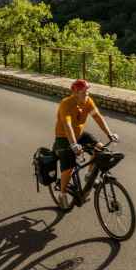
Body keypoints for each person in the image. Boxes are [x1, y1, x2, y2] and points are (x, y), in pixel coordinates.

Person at [53, 79, 118, 209]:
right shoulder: (66, 104)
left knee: (100, 149)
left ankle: (89, 176)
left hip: (80, 135)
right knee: (68, 168)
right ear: (75, 92)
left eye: (87, 90)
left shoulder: (88, 101)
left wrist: (109, 133)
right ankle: (63, 193)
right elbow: (68, 126)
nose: (87, 93)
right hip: (64, 137)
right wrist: (73, 145)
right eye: (84, 91)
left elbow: (98, 117)